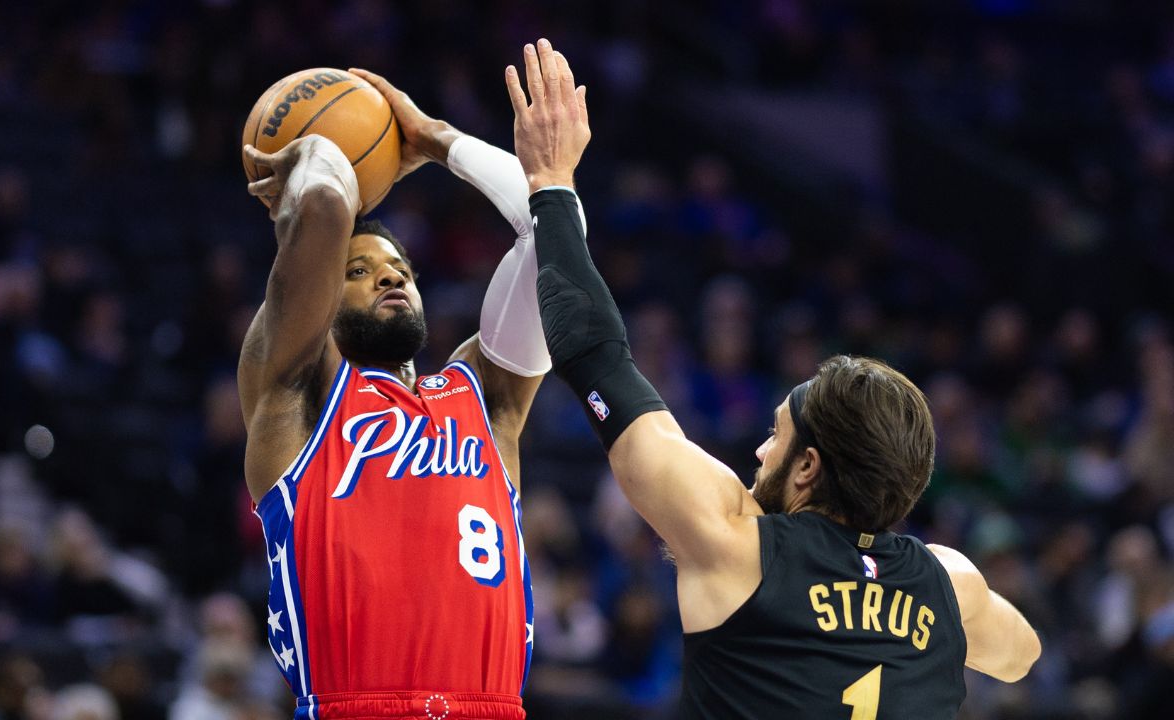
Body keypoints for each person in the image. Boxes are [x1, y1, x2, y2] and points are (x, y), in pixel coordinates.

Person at [504, 38, 1042, 718]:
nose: (760, 452)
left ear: (809, 465)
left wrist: (550, 182)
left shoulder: (735, 543)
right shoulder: (948, 584)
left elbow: (594, 357)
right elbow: (1022, 654)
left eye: (776, 436)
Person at [238, 69, 548, 720]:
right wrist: (320, 153)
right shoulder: (298, 390)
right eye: (358, 270)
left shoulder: (484, 395)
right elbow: (323, 206)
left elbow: (553, 235)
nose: (387, 275)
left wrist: (439, 141)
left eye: (400, 269)